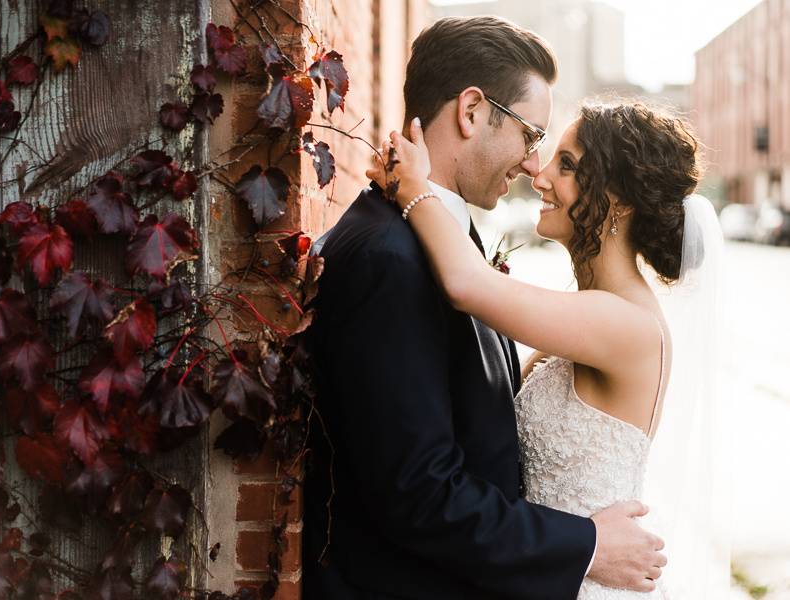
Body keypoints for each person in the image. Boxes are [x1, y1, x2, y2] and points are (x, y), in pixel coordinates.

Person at [302, 16, 665, 600]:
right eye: (530, 135)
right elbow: (419, 492)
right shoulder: (391, 257)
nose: (533, 167)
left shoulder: (433, 242)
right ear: (472, 111)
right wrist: (586, 545)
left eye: (556, 156)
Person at [367, 98, 728, 598]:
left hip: (588, 583)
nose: (539, 176)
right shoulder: (588, 314)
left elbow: (467, 285)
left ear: (619, 199)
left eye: (567, 165)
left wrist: (412, 188)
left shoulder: (629, 324)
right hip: (551, 570)